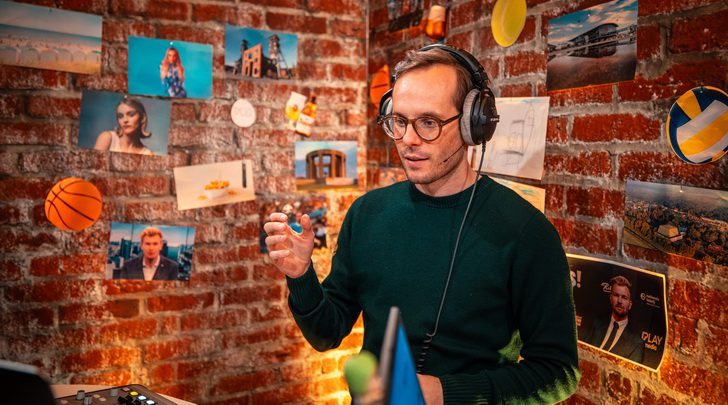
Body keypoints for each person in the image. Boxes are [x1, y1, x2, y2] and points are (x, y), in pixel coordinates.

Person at [263, 44, 579, 404]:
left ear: (471, 124)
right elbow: (326, 333)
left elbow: (559, 373)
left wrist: (444, 392)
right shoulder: (366, 213)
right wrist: (301, 276)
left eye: (428, 122)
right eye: (399, 121)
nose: (409, 140)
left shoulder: (526, 232)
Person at [584, 275, 645, 363]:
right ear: (610, 299)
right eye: (616, 295)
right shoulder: (596, 324)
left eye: (624, 297)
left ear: (630, 304)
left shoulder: (637, 344)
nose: (619, 301)